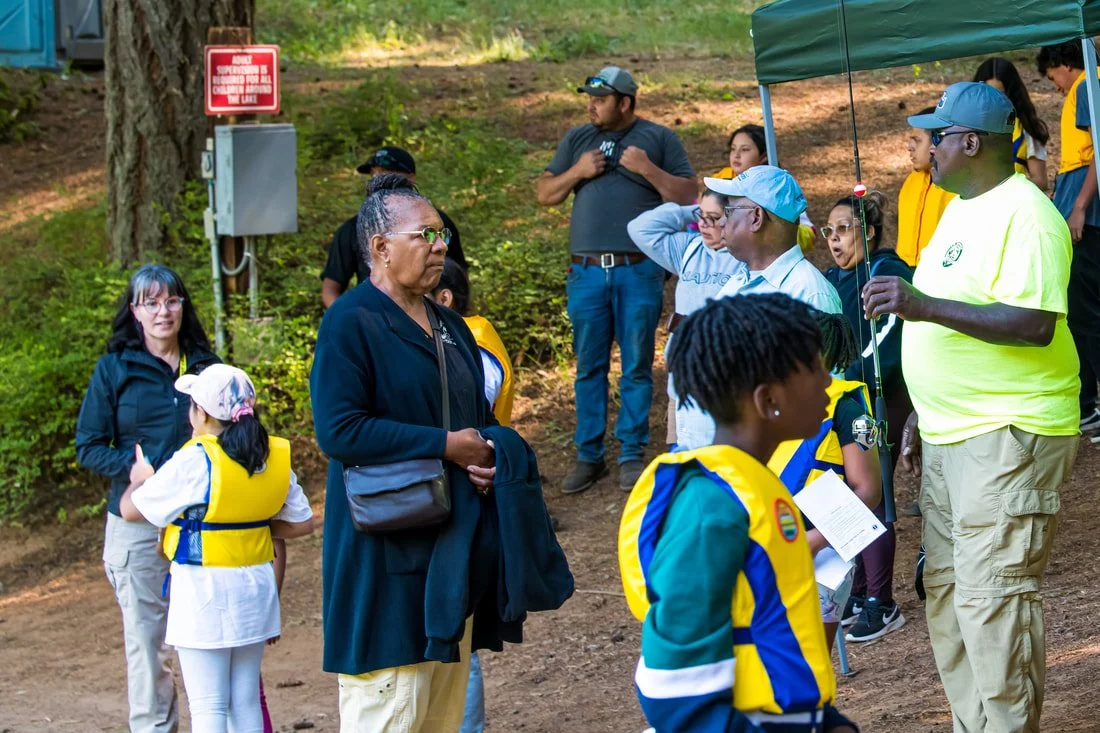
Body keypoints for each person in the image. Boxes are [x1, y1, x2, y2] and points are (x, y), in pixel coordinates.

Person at [865, 81, 1079, 733]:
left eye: (936, 135)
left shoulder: (1028, 215)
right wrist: (924, 419)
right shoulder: (958, 209)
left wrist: (919, 305)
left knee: (993, 605)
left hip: (1009, 433)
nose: (927, 147)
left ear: (969, 142)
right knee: (951, 598)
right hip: (953, 435)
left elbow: (1034, 322)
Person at [618, 293, 859, 733]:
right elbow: (673, 686)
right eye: (814, 368)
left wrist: (825, 722)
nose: (829, 380)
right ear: (769, 400)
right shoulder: (710, 510)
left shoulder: (757, 486)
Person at [311, 174, 500, 732]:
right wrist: (443, 446)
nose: (440, 245)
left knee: (442, 720)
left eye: (441, 234)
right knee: (390, 710)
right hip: (383, 557)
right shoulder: (350, 321)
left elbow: (477, 421)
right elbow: (340, 431)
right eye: (425, 234)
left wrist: (486, 457)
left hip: (450, 555)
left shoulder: (448, 325)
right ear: (380, 248)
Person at [118, 364, 314, 733]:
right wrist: (245, 524)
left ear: (202, 412)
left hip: (204, 593)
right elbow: (303, 522)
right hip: (256, 588)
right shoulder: (269, 454)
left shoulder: (195, 460)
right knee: (243, 702)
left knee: (208, 706)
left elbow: (132, 510)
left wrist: (141, 478)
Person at [536, 65, 696, 493]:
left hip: (638, 270)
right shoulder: (578, 140)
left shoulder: (659, 139)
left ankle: (630, 452)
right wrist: (577, 172)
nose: (591, 105)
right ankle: (589, 456)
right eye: (589, 97)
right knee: (588, 366)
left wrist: (647, 170)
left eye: (600, 99)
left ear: (625, 102)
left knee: (637, 365)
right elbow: (545, 193)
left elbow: (690, 195)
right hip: (586, 272)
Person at [75, 264, 221, 733]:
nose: (163, 311)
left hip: (203, 525)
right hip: (138, 526)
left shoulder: (205, 366)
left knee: (209, 641)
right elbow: (88, 445)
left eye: (172, 301)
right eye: (151, 303)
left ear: (183, 306)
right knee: (149, 647)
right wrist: (131, 469)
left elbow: (236, 430)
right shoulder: (114, 367)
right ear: (135, 311)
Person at [674, 165, 842, 451]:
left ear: (755, 217)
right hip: (721, 467)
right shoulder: (739, 280)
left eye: (728, 212)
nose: (722, 223)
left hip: (764, 478)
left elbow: (827, 399)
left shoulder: (808, 293)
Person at [432, 258, 516, 733]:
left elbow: (471, 418)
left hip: (468, 491)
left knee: (457, 630)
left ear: (445, 298)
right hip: (448, 491)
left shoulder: (473, 343)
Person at [824, 191, 912, 640]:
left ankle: (882, 600)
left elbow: (891, 343)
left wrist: (849, 374)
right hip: (845, 400)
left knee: (873, 491)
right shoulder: (829, 279)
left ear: (869, 232)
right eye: (830, 231)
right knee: (845, 492)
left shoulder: (885, 271)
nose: (835, 240)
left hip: (883, 398)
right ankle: (858, 589)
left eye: (844, 229)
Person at [768, 310, 883, 653]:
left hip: (820, 559)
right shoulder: (771, 400)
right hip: (766, 546)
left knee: (808, 666)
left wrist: (811, 543)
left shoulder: (848, 410)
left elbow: (867, 490)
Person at [627, 189, 744, 451]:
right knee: (682, 459)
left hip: (725, 384)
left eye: (714, 218)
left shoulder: (745, 259)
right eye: (700, 216)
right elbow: (639, 228)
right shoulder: (689, 248)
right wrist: (689, 210)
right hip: (682, 382)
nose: (704, 225)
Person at [1038, 41, 1100, 434]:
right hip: (1081, 204)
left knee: (1085, 311)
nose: (1056, 86)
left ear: (1064, 65)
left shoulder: (1086, 87)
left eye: (1053, 77)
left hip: (1088, 212)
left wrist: (1079, 205)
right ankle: (1088, 404)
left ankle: (1090, 405)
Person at [321, 145, 466, 308]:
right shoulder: (351, 229)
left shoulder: (439, 222)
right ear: (379, 246)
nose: (377, 177)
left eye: (386, 171)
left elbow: (459, 279)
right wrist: (348, 320)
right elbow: (331, 288)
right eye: (373, 173)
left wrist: (447, 321)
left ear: (410, 178)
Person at [713, 123, 817, 252]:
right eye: (733, 149)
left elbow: (809, 232)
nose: (736, 155)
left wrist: (776, 230)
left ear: (764, 156)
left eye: (745, 149)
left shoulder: (775, 186)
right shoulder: (720, 179)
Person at [974, 57, 1051, 190]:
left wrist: (1006, 187)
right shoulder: (965, 124)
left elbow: (1041, 181)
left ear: (1011, 93)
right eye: (988, 93)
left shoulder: (1024, 129)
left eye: (1000, 94)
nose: (993, 100)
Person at [896, 107, 956, 267]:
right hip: (904, 272)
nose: (909, 146)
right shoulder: (911, 182)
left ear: (938, 141)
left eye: (918, 140)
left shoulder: (956, 186)